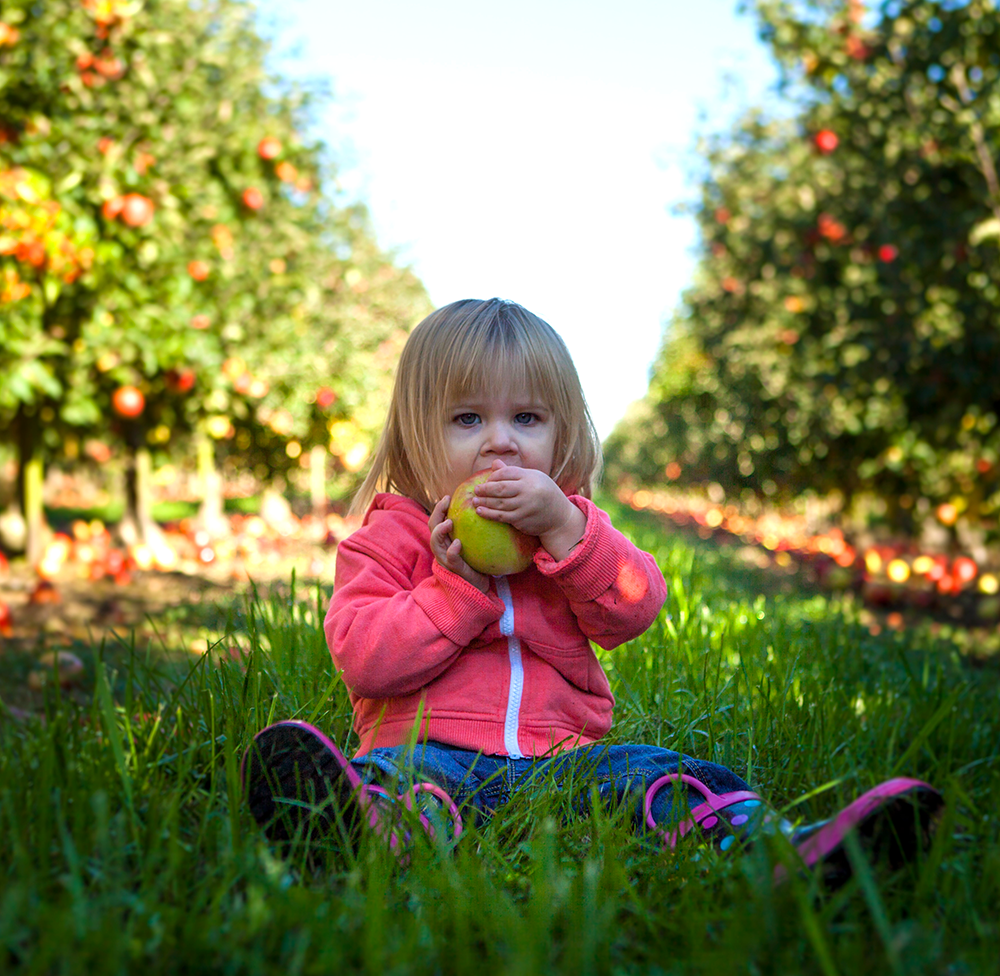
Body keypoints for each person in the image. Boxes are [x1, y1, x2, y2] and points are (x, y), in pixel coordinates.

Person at [243, 297, 942, 884]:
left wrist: (568, 532)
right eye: (467, 419)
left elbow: (635, 607)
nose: (500, 444)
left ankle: (784, 850)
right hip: (427, 749)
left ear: (560, 432)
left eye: (527, 419)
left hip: (563, 761)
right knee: (398, 782)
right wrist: (456, 591)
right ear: (414, 433)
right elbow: (365, 659)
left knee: (663, 776)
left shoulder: (571, 530)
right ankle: (360, 830)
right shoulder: (386, 541)